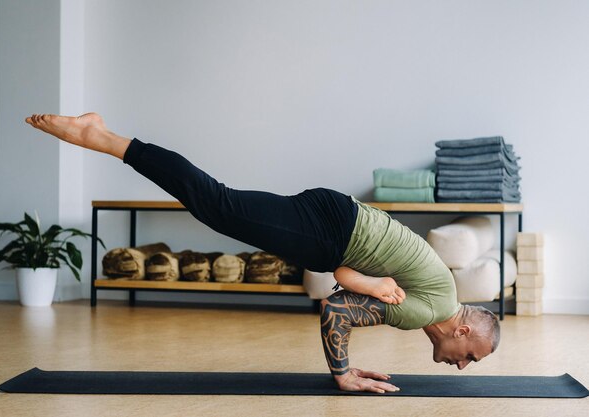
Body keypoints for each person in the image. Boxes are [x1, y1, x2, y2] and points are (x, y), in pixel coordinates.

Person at [25, 113, 500, 394]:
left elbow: (350, 280)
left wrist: (362, 282)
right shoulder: (427, 310)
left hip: (337, 221)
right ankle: (100, 136)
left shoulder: (437, 297)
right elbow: (336, 303)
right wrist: (343, 374)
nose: (461, 365)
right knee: (215, 201)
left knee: (217, 205)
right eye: (469, 356)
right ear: (461, 330)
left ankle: (103, 136)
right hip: (332, 230)